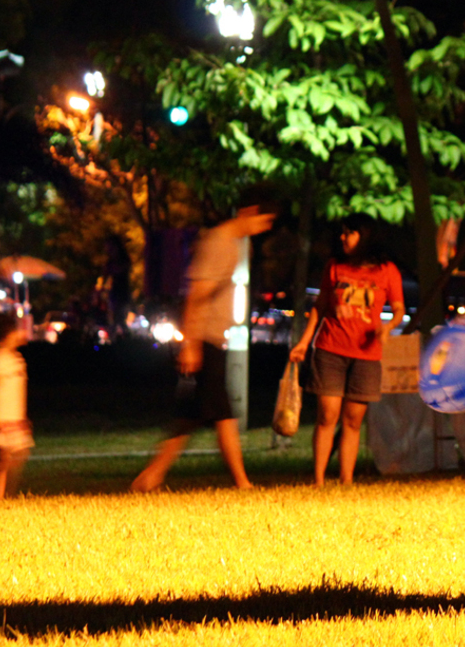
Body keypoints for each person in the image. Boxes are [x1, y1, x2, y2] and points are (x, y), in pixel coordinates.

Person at [131, 194, 278, 492]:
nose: (264, 228)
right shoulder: (220, 242)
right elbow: (198, 294)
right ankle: (242, 482)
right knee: (223, 414)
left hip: (213, 339)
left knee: (191, 415)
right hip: (204, 339)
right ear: (249, 211)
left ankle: (150, 477)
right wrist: (191, 344)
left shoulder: (240, 245)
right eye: (264, 221)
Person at [290, 213, 404, 486]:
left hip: (367, 354)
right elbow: (319, 307)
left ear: (364, 236)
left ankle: (346, 480)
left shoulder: (387, 270)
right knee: (327, 414)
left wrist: (387, 328)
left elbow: (399, 309)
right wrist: (304, 343)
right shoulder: (335, 267)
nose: (343, 238)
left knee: (353, 419)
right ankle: (318, 480)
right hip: (331, 348)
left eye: (349, 233)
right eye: (342, 233)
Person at [0, 311, 33, 499]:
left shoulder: (17, 359)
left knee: (19, 455)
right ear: (5, 337)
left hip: (15, 414)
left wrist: (23, 416)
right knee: (4, 457)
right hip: (2, 415)